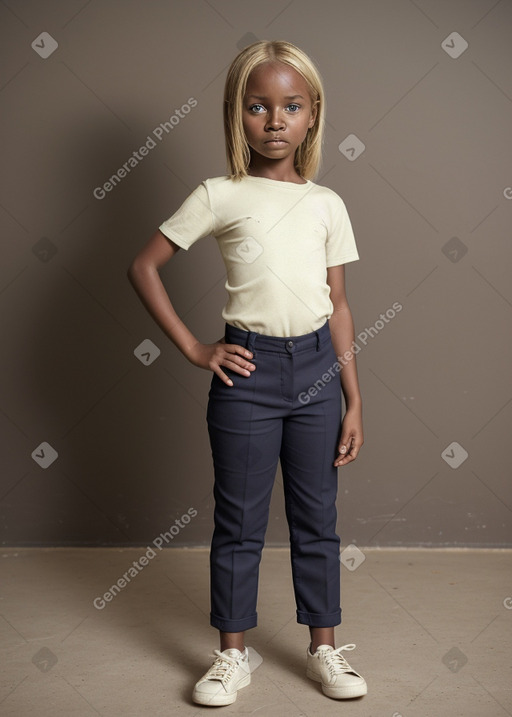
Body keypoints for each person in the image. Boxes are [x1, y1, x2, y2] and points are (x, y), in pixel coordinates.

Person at [128, 39, 367, 706]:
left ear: (312, 114)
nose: (273, 120)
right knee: (239, 521)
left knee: (318, 519)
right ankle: (232, 656)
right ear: (238, 114)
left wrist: (353, 399)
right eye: (257, 106)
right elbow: (143, 266)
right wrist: (195, 348)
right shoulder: (220, 194)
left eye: (290, 106)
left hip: (319, 374)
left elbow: (340, 305)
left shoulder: (327, 203)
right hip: (248, 377)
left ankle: (325, 646)